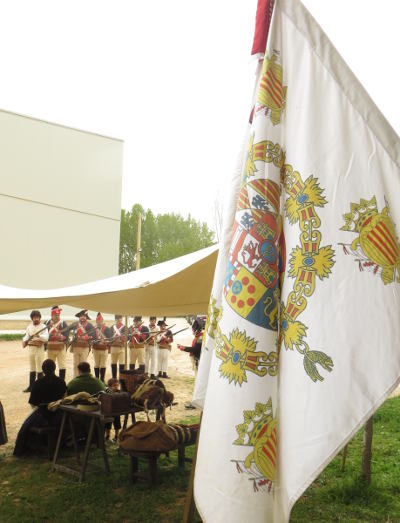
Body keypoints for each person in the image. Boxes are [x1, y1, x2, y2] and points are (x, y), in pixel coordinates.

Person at [14, 359, 67, 456]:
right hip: (58, 414)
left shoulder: (38, 383)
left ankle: (31, 447)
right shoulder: (61, 382)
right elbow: (64, 399)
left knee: (26, 426)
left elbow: (33, 403)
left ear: (42, 370)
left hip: (43, 415)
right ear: (55, 369)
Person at [22, 310, 49, 393]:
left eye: (37, 317)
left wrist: (39, 335)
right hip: (31, 349)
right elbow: (26, 336)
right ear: (32, 318)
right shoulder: (29, 327)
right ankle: (31, 387)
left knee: (40, 368)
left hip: (39, 349)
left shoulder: (43, 326)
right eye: (34, 317)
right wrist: (24, 341)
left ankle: (40, 387)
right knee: (32, 367)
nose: (36, 319)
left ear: (39, 318)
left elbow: (46, 338)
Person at [45, 306, 69, 381]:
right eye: (56, 315)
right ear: (52, 315)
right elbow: (44, 334)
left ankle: (62, 381)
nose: (57, 317)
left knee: (62, 365)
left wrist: (61, 337)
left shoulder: (63, 323)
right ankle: (51, 380)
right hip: (50, 347)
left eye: (58, 315)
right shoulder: (47, 323)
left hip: (60, 347)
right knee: (50, 366)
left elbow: (67, 334)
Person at [69, 310, 95, 378]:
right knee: (75, 364)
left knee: (83, 363)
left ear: (86, 317)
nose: (82, 317)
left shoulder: (90, 325)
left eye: (84, 316)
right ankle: (75, 377)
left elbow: (93, 335)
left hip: (85, 347)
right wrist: (73, 336)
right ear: (79, 317)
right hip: (76, 346)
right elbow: (69, 333)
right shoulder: (75, 324)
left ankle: (83, 377)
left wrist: (86, 337)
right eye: (81, 316)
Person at [92, 312, 111, 382]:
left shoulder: (107, 329)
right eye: (98, 321)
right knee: (96, 364)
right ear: (96, 322)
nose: (99, 322)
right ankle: (97, 379)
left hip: (104, 349)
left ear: (102, 321)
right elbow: (92, 338)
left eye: (100, 321)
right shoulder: (94, 329)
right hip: (96, 349)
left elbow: (109, 339)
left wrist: (104, 341)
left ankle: (102, 379)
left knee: (103, 364)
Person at [104, 378, 122, 443]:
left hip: (116, 411)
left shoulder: (119, 392)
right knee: (107, 424)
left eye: (117, 385)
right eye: (114, 385)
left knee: (117, 424)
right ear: (109, 386)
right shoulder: (107, 391)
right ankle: (107, 435)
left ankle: (117, 436)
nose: (116, 387)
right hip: (109, 411)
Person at [109, 315, 126, 379]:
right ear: (115, 319)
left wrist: (121, 338)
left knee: (121, 363)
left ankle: (121, 378)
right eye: (117, 318)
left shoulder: (124, 327)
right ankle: (114, 378)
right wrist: (113, 338)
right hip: (113, 347)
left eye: (119, 318)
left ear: (121, 319)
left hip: (121, 347)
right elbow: (109, 337)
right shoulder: (112, 327)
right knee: (113, 363)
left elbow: (127, 337)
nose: (118, 320)